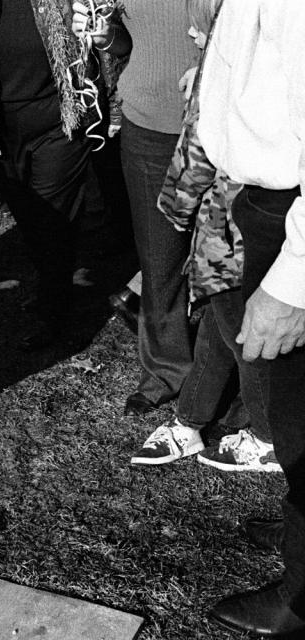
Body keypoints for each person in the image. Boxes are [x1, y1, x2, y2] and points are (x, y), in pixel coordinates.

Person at [192, 1, 305, 634]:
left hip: (294, 215)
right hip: (268, 199)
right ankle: (300, 535)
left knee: (299, 418)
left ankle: (302, 596)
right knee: (293, 417)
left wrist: (294, 282)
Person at [129, 0, 277, 473]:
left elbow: (198, 148)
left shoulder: (227, 64)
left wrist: (176, 208)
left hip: (232, 226)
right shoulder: (255, 55)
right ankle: (190, 422)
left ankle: (267, 435)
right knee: (218, 317)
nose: (192, 40)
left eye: (198, 31)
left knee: (242, 334)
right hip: (237, 223)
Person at [0, 0, 130, 349]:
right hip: (3, 132)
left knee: (54, 222)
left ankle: (55, 316)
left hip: (60, 128)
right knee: (28, 219)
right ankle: (52, 286)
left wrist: (112, 106)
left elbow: (107, 49)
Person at [97, 0, 196, 416]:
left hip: (214, 125)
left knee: (223, 254)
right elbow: (126, 43)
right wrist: (108, 38)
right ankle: (165, 371)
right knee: (159, 257)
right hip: (147, 127)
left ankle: (223, 371)